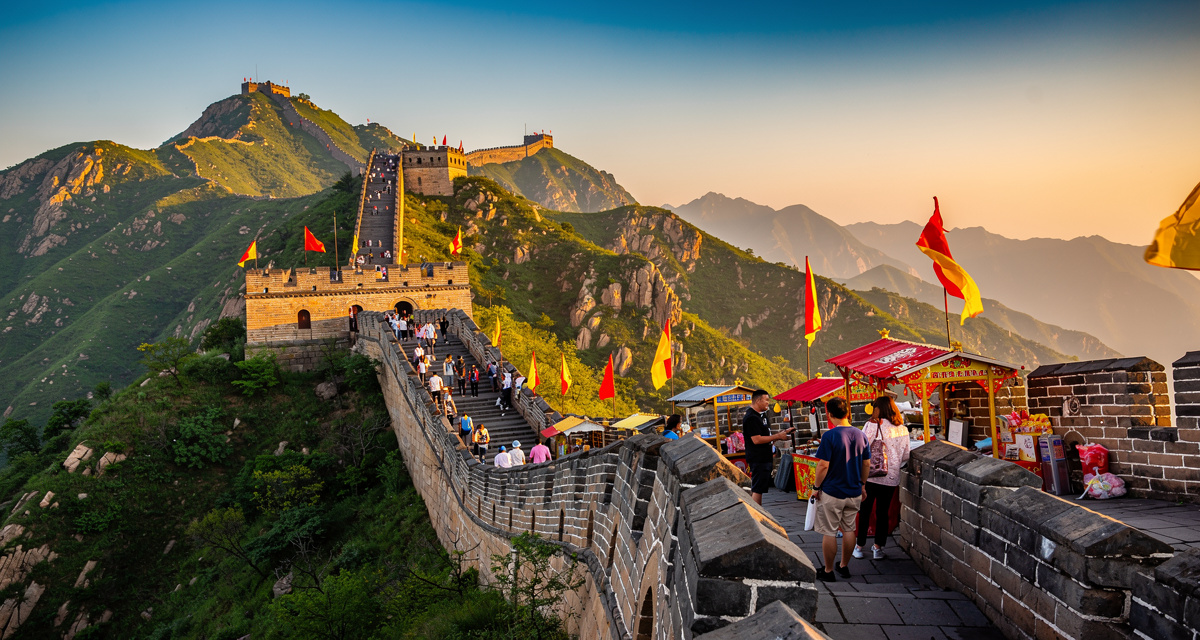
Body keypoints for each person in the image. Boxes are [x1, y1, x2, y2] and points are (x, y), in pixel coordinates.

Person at [812, 396, 870, 582]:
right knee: (849, 529)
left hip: (833, 491)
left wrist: (815, 487)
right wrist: (862, 485)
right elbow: (866, 464)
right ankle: (844, 566)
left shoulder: (830, 436)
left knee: (829, 531)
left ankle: (828, 570)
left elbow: (823, 466)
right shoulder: (861, 435)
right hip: (854, 491)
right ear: (847, 412)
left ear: (829, 414)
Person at [854, 396, 911, 560]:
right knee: (883, 512)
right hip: (891, 477)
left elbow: (862, 447)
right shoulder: (903, 429)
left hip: (871, 475)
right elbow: (906, 455)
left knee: (865, 511)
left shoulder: (872, 424)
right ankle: (878, 547)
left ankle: (859, 546)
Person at [743, 390, 795, 506]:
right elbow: (756, 440)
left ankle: (758, 511)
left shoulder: (762, 416)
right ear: (758, 400)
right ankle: (757, 512)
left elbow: (767, 436)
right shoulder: (751, 417)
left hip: (765, 457)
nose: (768, 403)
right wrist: (778, 436)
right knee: (758, 488)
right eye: (766, 400)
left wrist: (782, 434)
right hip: (758, 458)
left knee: (760, 487)